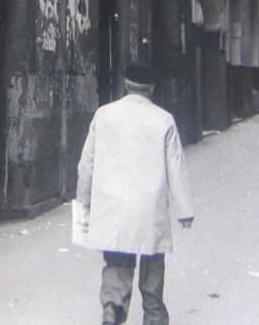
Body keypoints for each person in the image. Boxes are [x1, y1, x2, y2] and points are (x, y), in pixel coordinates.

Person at [77, 62, 193, 325]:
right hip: (149, 205)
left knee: (117, 258)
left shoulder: (104, 115)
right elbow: (176, 166)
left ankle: (113, 306)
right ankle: (153, 314)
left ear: (126, 85)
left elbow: (87, 163)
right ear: (151, 89)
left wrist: (83, 200)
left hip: (114, 203)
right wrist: (185, 211)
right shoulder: (163, 119)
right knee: (152, 261)